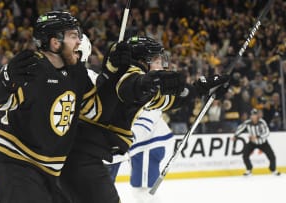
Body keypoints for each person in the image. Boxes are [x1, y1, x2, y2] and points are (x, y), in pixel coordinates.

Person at [0, 11, 130, 203]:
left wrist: (113, 74)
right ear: (55, 42)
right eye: (74, 36)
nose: (79, 41)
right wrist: (5, 79)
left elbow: (95, 111)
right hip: (15, 163)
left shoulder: (77, 74)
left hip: (49, 171)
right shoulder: (32, 68)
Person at [60, 36, 229, 203]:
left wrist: (200, 88)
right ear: (143, 60)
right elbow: (129, 87)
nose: (161, 64)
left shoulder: (142, 84)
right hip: (84, 155)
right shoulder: (128, 74)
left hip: (94, 154)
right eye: (156, 59)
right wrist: (144, 83)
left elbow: (168, 100)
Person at [233, 108, 281, 176]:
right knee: (245, 155)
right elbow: (240, 128)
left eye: (254, 115)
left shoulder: (262, 122)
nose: (253, 116)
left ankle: (273, 169)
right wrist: (235, 135)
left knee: (272, 156)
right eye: (252, 115)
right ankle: (249, 169)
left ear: (257, 116)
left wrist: (257, 137)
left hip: (263, 143)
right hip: (252, 143)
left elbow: (267, 132)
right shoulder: (247, 123)